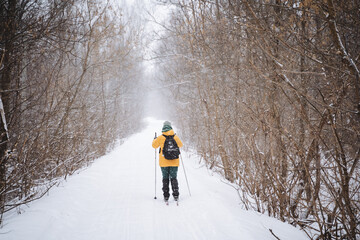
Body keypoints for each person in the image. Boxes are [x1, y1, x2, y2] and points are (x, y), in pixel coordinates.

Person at [152, 121, 183, 201]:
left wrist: (154, 139)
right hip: (174, 162)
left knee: (165, 178)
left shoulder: (160, 137)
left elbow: (154, 146)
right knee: (173, 178)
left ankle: (166, 196)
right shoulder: (175, 137)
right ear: (170, 127)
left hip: (164, 162)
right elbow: (180, 145)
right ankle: (176, 195)